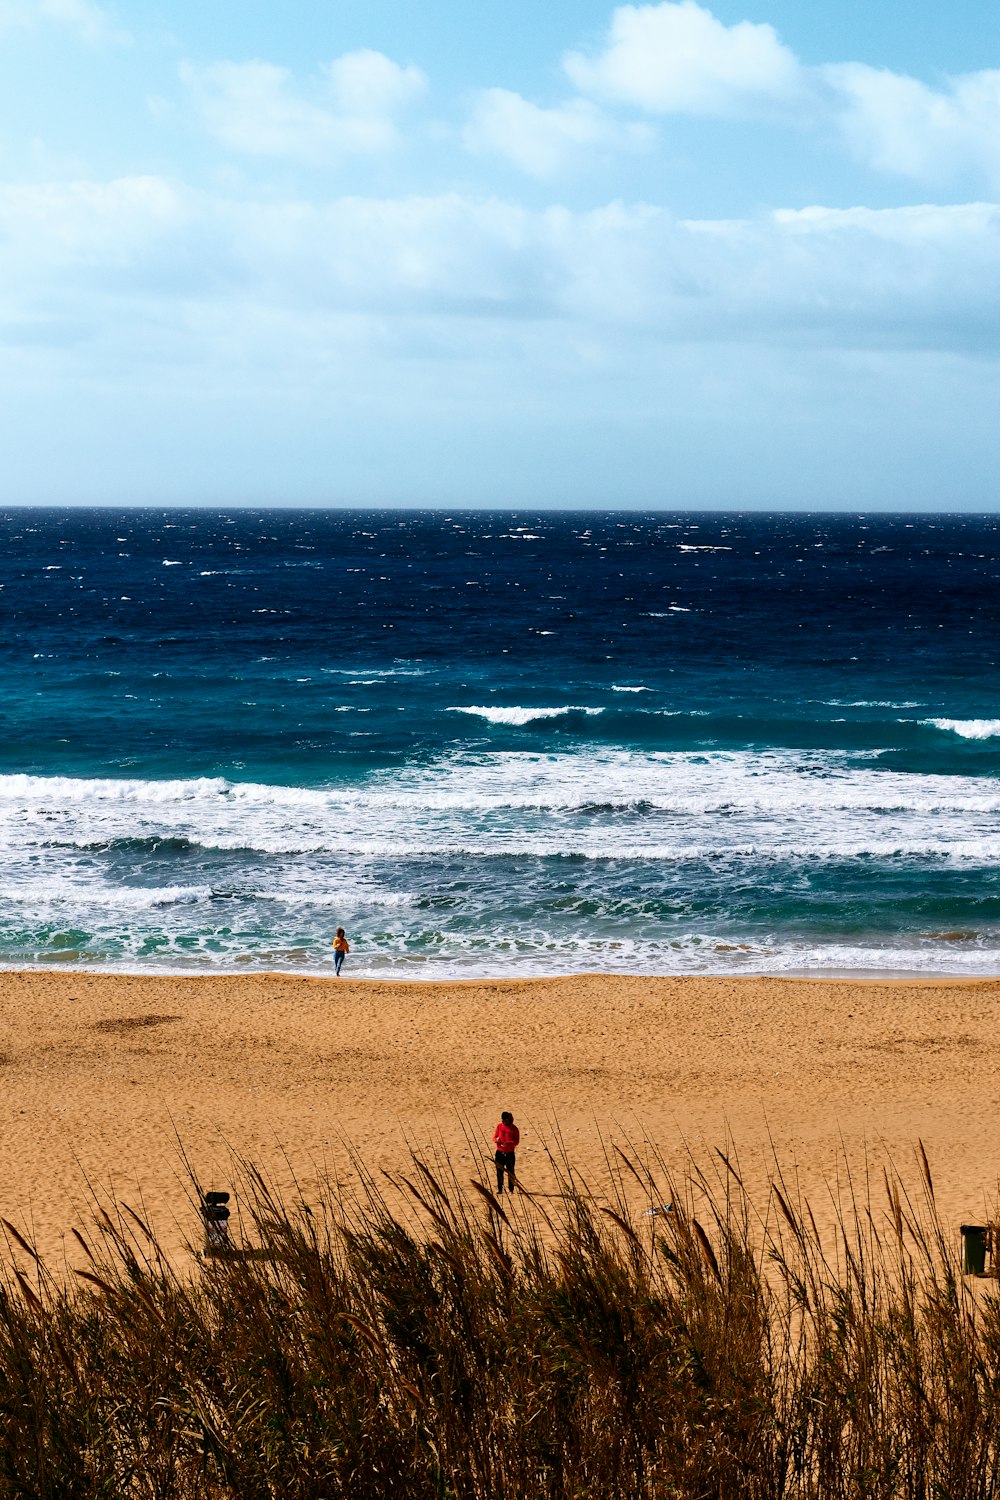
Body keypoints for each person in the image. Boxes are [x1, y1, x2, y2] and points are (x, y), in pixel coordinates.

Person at [493, 1110, 519, 1194]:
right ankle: (500, 1189)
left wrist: (507, 1144)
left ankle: (511, 1190)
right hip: (499, 1152)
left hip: (509, 1154)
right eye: (503, 1121)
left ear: (509, 1119)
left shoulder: (514, 1129)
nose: (504, 1122)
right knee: (499, 1171)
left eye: (506, 1121)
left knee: (510, 1172)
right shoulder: (499, 1126)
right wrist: (496, 1140)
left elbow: (516, 1142)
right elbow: (494, 1137)